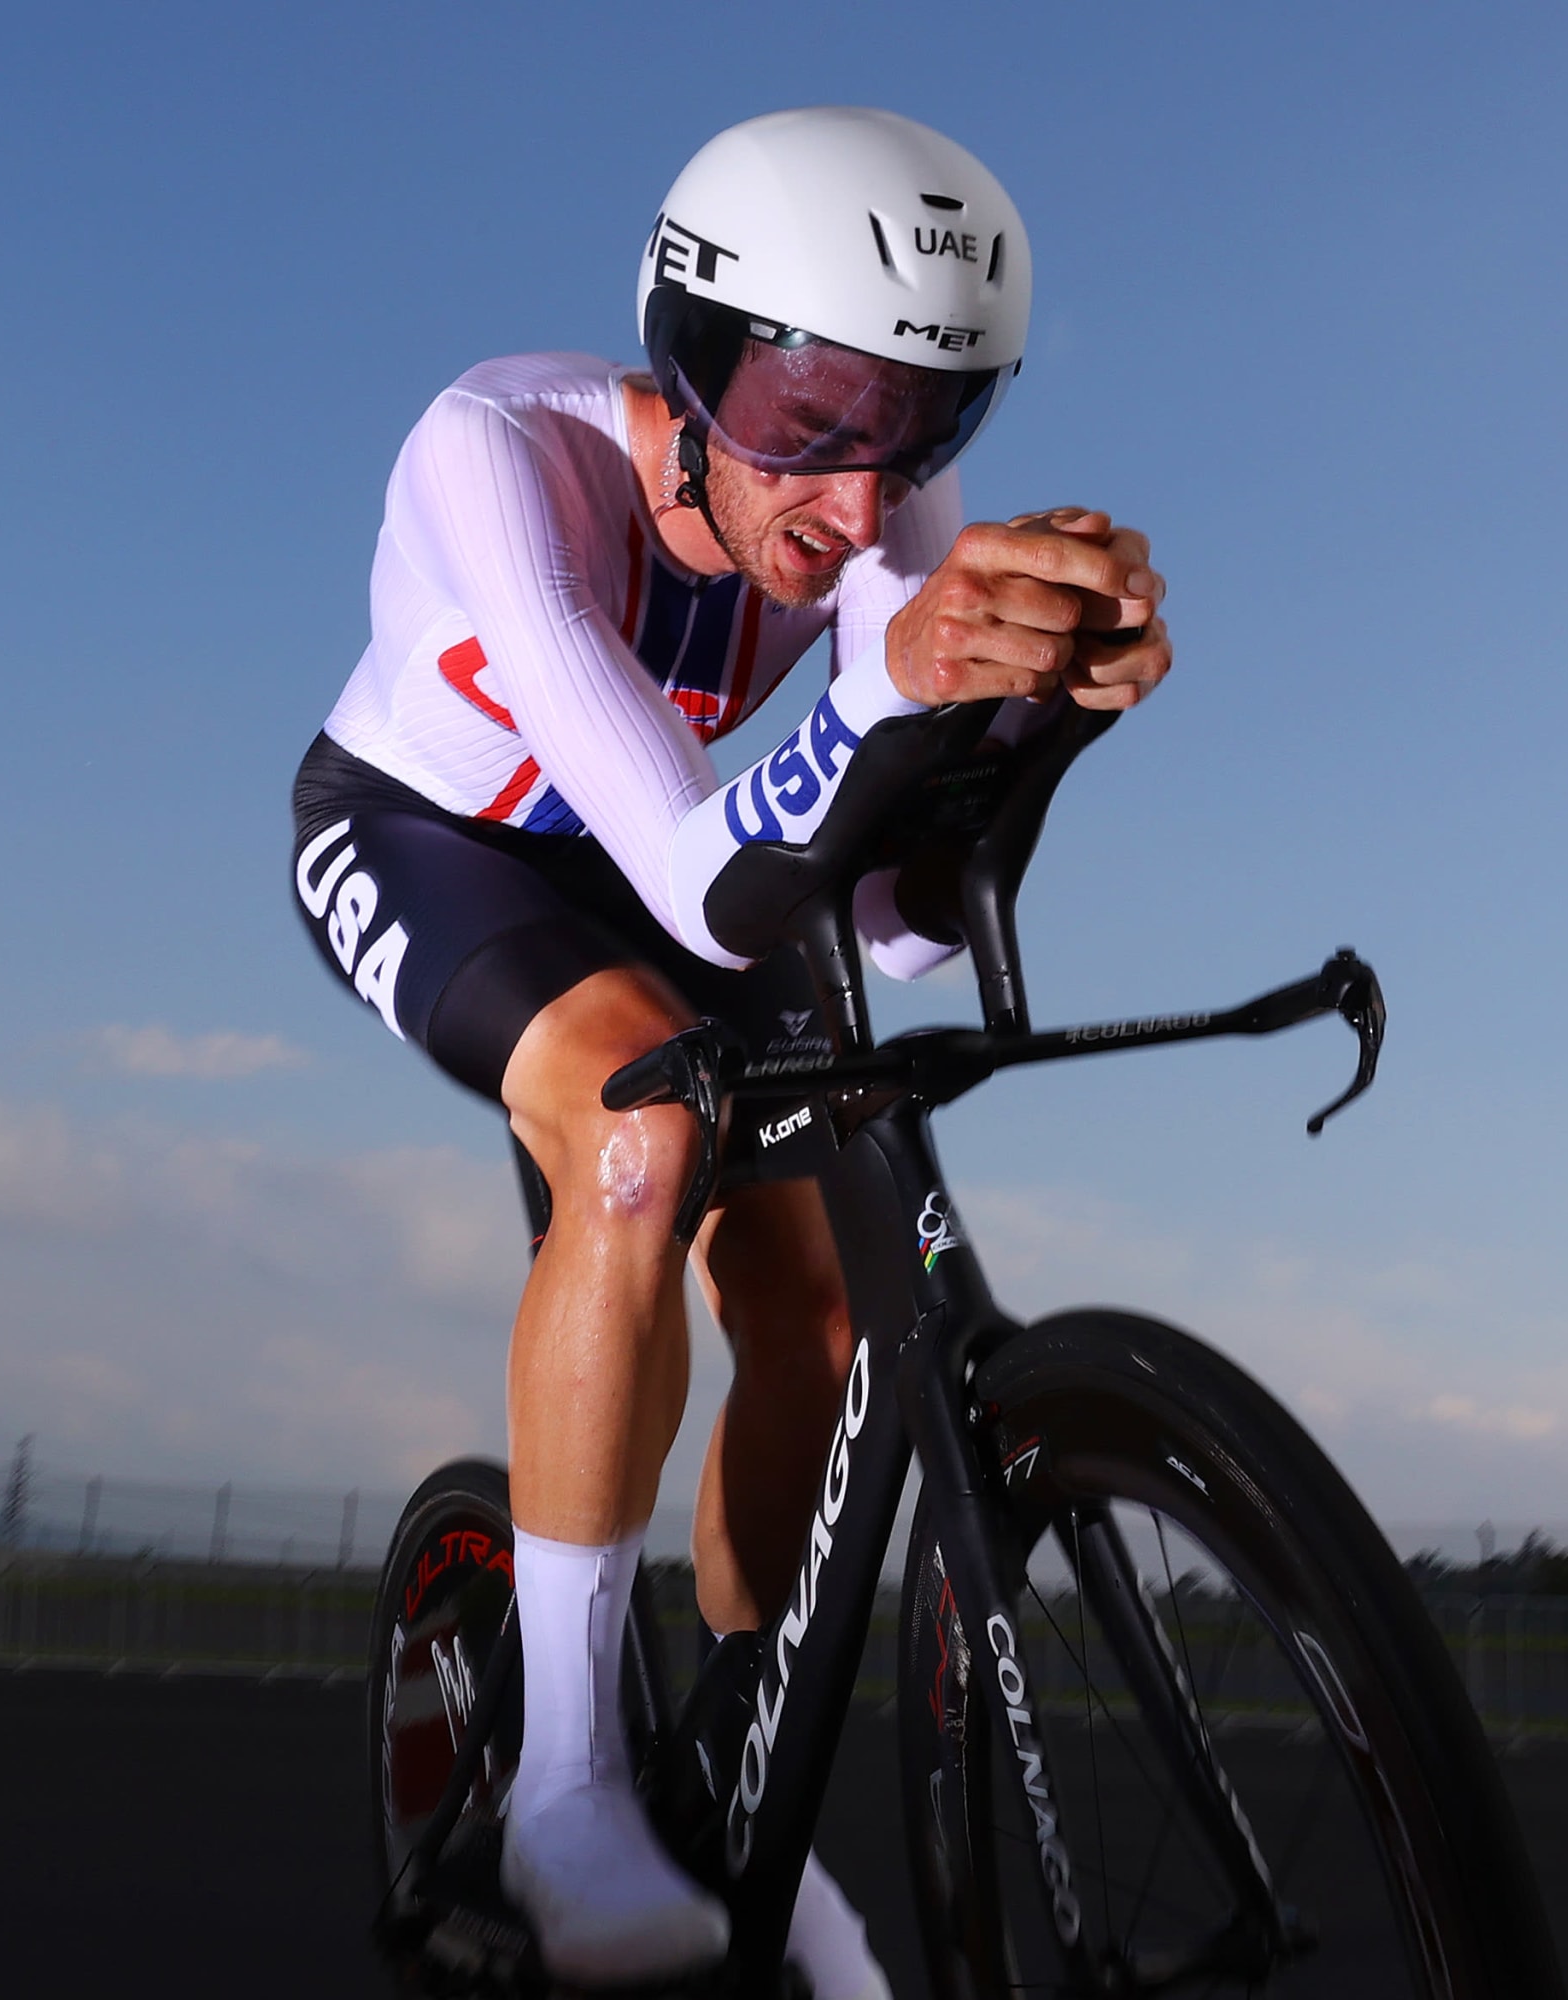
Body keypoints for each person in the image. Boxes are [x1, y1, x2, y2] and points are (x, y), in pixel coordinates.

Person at [290, 107, 1171, 1994]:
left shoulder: (870, 523)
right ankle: (569, 1791)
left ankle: (733, 1785)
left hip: (682, 862)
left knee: (833, 1317)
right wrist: (886, 677)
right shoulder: (495, 456)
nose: (860, 505)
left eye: (925, 432)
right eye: (812, 419)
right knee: (637, 1141)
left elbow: (891, 926)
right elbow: (699, 884)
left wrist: (1031, 734)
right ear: (691, 364)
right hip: (444, 842)